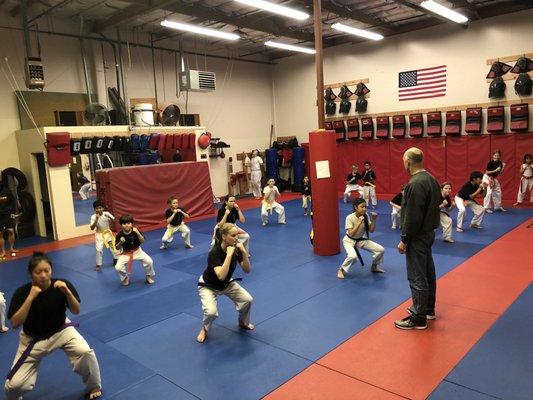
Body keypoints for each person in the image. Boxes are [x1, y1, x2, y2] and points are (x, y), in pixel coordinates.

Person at [4, 252, 102, 400]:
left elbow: (76, 310)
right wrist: (31, 297)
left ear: (51, 270)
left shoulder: (61, 285)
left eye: (47, 271)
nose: (43, 275)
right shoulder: (22, 293)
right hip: (33, 339)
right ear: (31, 274)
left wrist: (67, 292)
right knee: (15, 385)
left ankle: (94, 386)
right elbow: (16, 323)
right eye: (38, 272)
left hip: (61, 330)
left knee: (85, 352)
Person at [395, 147, 441, 330]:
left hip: (417, 236)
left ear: (408, 162)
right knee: (428, 273)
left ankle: (418, 317)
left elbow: (413, 217)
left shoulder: (414, 184)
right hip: (429, 233)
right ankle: (428, 309)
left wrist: (404, 240)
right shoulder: (432, 179)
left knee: (417, 276)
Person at [196, 223, 253, 343]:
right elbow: (221, 276)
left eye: (237, 235)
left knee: (247, 300)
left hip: (226, 284)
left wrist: (244, 253)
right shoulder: (214, 252)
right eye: (233, 235)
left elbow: (247, 270)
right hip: (208, 285)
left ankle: (243, 323)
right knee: (211, 312)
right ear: (223, 236)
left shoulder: (236, 248)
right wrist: (229, 255)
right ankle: (205, 329)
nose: (236, 238)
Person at [337, 198, 385, 279]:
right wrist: (359, 222)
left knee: (380, 250)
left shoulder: (366, 216)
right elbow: (351, 234)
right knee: (353, 256)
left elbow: (371, 230)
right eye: (362, 207)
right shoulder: (349, 218)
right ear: (356, 207)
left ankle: (374, 266)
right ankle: (341, 270)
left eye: (365, 207)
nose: (364, 209)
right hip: (349, 240)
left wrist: (373, 220)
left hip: (360, 240)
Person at [114, 215, 155, 286]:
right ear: (121, 225)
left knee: (149, 261)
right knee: (118, 267)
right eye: (124, 224)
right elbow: (117, 248)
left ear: (132, 224)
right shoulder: (119, 235)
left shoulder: (135, 230)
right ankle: (125, 277)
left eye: (128, 223)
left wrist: (138, 233)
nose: (126, 225)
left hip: (138, 251)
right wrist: (120, 242)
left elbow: (142, 241)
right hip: (126, 253)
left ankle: (148, 276)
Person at [89, 200, 118, 271]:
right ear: (94, 209)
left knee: (114, 246)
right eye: (96, 208)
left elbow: (115, 221)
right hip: (99, 234)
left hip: (108, 233)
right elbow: (92, 228)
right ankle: (98, 264)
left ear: (103, 208)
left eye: (100, 208)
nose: (98, 210)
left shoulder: (106, 213)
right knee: (99, 249)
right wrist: (97, 219)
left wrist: (110, 217)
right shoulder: (93, 217)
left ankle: (116, 259)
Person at [0, 173, 17, 260]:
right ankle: (3, 251)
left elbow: (13, 202)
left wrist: (13, 212)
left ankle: (11, 248)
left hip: (8, 214)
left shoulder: (6, 190)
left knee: (11, 231)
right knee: (0, 234)